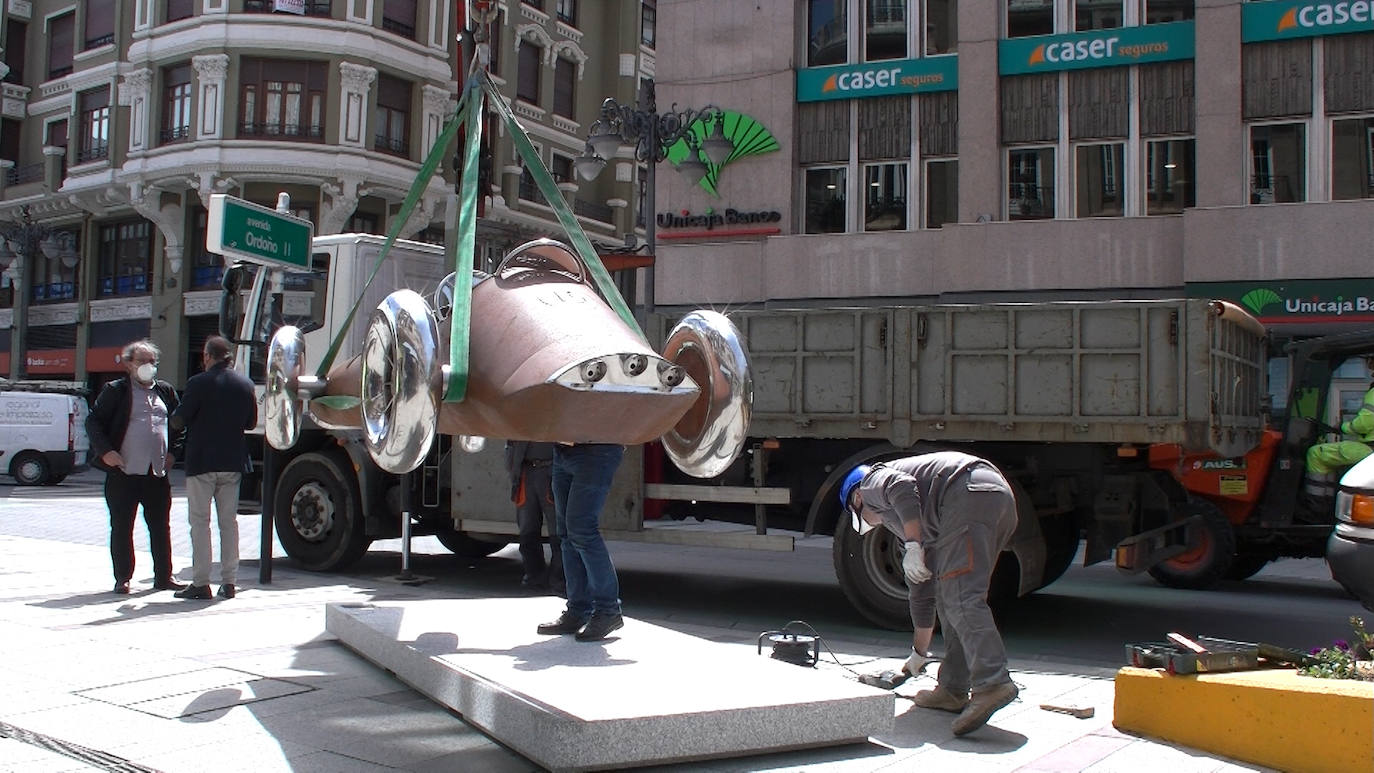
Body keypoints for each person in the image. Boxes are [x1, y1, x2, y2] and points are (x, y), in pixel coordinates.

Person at [840, 451, 1019, 736]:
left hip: (969, 494)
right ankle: (953, 688)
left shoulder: (871, 483)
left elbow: (901, 487)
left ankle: (993, 682)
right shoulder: (918, 527)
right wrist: (917, 655)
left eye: (863, 516)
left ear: (857, 500)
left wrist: (913, 545)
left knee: (960, 596)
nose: (875, 523)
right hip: (990, 498)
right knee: (951, 596)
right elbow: (923, 594)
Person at [86, 339, 186, 595]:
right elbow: (94, 422)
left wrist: (174, 452)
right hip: (124, 472)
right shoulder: (116, 390)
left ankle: (164, 576)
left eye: (152, 362)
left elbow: (180, 425)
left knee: (160, 527)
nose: (148, 366)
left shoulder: (165, 391)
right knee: (122, 527)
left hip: (156, 474)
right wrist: (106, 452)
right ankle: (123, 578)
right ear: (129, 364)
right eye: (142, 361)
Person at [170, 336, 258, 601]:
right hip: (232, 462)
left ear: (208, 356)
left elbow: (179, 420)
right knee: (228, 523)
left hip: (202, 462)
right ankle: (229, 582)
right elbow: (252, 423)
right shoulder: (246, 383)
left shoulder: (198, 383)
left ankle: (200, 583)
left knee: (200, 522)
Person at [536, 443, 625, 642]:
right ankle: (578, 610)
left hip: (596, 450)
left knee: (581, 531)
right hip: (564, 450)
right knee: (568, 534)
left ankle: (608, 609)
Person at [1306, 357, 1374, 491]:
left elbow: (1364, 424)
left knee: (1315, 453)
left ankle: (1316, 503)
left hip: (1370, 449)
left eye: (1370, 361)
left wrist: (1343, 426)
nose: (1369, 366)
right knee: (1330, 458)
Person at [504, 441, 563, 594]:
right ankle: (534, 576)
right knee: (527, 530)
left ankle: (559, 579)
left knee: (558, 532)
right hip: (525, 472)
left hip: (551, 470)